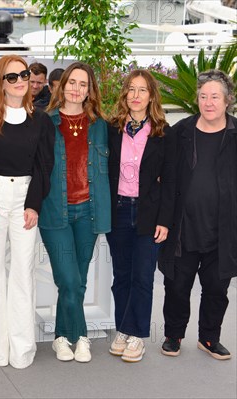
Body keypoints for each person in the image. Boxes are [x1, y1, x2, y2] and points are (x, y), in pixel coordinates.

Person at [0, 55, 55, 368]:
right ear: (0, 83)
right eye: (13, 77)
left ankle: (21, 350)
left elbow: (44, 165)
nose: (21, 80)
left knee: (22, 273)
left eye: (25, 74)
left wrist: (33, 203)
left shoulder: (41, 120)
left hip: (25, 198)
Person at [158, 69, 237, 361]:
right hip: (183, 228)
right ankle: (174, 335)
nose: (208, 102)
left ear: (227, 100)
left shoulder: (235, 134)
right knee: (177, 286)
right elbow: (166, 179)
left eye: (215, 96)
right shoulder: (180, 132)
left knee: (217, 289)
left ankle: (209, 338)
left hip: (224, 231)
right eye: (203, 96)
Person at [38, 61, 111, 363]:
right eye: (72, 82)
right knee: (67, 279)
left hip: (90, 211)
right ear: (61, 85)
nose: (76, 88)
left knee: (78, 280)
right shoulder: (45, 122)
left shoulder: (101, 126)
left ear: (89, 90)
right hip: (56, 212)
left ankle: (60, 337)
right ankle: (80, 336)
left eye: (83, 84)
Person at [106, 69, 176, 362]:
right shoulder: (111, 128)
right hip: (118, 210)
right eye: (131, 90)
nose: (136, 96)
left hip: (149, 213)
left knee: (143, 276)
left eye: (142, 90)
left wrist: (165, 220)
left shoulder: (163, 132)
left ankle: (137, 334)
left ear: (151, 96)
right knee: (120, 275)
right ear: (125, 94)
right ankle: (122, 327)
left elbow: (171, 181)